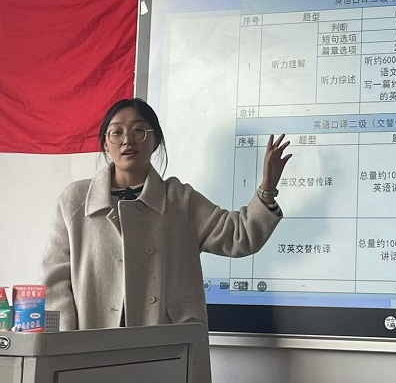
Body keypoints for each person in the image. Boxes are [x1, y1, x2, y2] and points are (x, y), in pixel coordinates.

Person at [41, 98, 291, 382]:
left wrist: (267, 190)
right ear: (105, 144)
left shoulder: (179, 200)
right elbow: (55, 280)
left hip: (167, 348)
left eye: (139, 130)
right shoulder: (75, 200)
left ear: (156, 140)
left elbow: (239, 236)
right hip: (91, 350)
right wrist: (64, 347)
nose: (127, 140)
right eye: (116, 132)